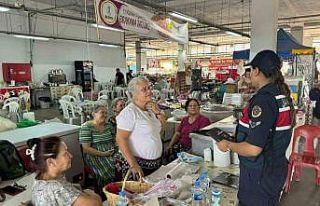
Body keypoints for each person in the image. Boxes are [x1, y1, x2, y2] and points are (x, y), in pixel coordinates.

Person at [216, 50, 296, 206]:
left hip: (260, 176)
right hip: (272, 170)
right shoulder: (281, 94)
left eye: (250, 70)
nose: (250, 74)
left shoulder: (264, 100)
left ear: (257, 70)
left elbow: (253, 149)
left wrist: (228, 145)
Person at [115, 76, 166, 180]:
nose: (149, 91)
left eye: (149, 88)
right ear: (134, 94)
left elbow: (162, 127)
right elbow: (120, 139)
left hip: (154, 164)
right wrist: (133, 164)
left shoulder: (150, 109)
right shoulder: (129, 112)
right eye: (144, 89)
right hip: (137, 166)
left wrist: (158, 112)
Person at [26, 136, 102, 206]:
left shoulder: (40, 179)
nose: (71, 156)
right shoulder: (56, 188)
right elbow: (96, 203)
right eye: (65, 153)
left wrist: (79, 190)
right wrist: (90, 192)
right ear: (50, 162)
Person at [79, 105, 116, 187]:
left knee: (124, 162)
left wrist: (118, 150)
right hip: (94, 156)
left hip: (111, 152)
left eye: (106, 113)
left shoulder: (108, 125)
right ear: (93, 114)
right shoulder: (86, 127)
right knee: (109, 167)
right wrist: (104, 154)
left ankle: (121, 187)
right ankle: (106, 191)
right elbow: (86, 149)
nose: (105, 115)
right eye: (102, 112)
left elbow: (115, 140)